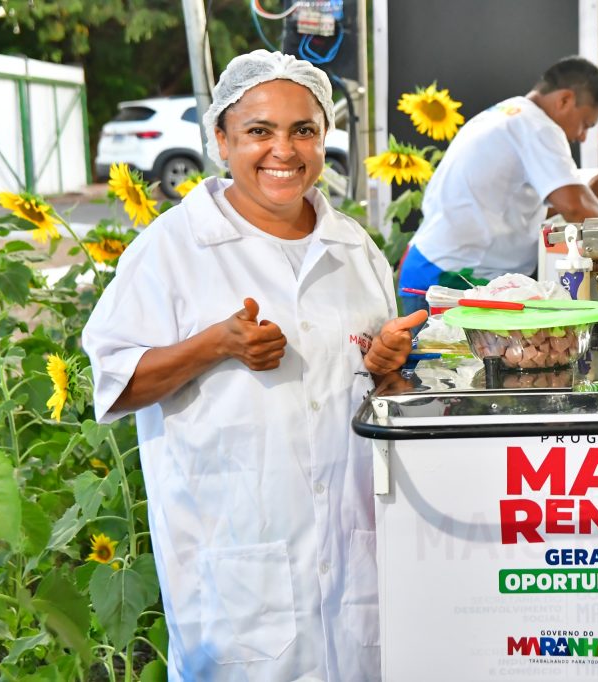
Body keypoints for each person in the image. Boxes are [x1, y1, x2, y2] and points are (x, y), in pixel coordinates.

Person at [82, 50, 425, 682]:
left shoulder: (354, 249)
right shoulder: (173, 248)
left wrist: (385, 368)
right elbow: (113, 385)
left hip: (353, 562)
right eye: (259, 131)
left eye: (304, 130)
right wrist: (215, 344)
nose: (284, 151)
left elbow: (375, 389)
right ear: (221, 139)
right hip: (237, 568)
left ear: (324, 138)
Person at [398, 55, 598, 316]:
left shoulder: (506, 113)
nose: (582, 137)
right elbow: (575, 207)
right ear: (564, 100)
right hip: (451, 281)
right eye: (585, 124)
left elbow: (509, 207)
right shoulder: (538, 126)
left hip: (432, 267)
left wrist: (588, 195)